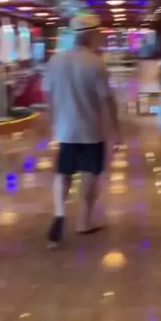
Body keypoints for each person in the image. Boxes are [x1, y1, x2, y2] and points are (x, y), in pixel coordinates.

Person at [43, 14, 120, 247]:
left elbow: (48, 96)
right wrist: (116, 131)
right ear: (92, 35)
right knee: (89, 173)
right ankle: (84, 221)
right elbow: (107, 100)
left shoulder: (55, 61)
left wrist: (53, 123)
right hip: (91, 129)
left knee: (63, 173)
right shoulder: (96, 63)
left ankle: (59, 213)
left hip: (64, 129)